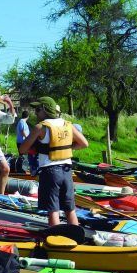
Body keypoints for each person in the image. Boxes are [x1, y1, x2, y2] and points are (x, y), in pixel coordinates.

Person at [19, 96, 88, 226]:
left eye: (37, 109)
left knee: (53, 210)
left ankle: (54, 235)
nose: (35, 113)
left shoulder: (41, 127)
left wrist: (38, 148)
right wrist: (67, 148)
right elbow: (84, 143)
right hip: (67, 171)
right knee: (70, 209)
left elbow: (22, 149)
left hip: (50, 172)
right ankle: (76, 233)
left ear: (45, 110)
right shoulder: (68, 125)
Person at [16, 110, 38, 175]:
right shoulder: (22, 121)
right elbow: (23, 131)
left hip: (24, 142)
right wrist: (28, 139)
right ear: (28, 116)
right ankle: (21, 170)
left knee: (25, 156)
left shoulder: (23, 122)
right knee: (23, 156)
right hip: (22, 142)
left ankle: (24, 169)